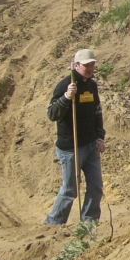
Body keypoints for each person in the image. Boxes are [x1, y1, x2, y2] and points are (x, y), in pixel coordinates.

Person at [44, 49, 105, 225]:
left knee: (96, 186)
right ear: (76, 65)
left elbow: (97, 112)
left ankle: (89, 222)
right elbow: (52, 114)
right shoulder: (65, 85)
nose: (90, 68)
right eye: (86, 65)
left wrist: (100, 137)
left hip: (91, 145)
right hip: (70, 148)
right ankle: (53, 224)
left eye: (92, 64)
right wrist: (66, 97)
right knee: (70, 189)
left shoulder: (92, 86)